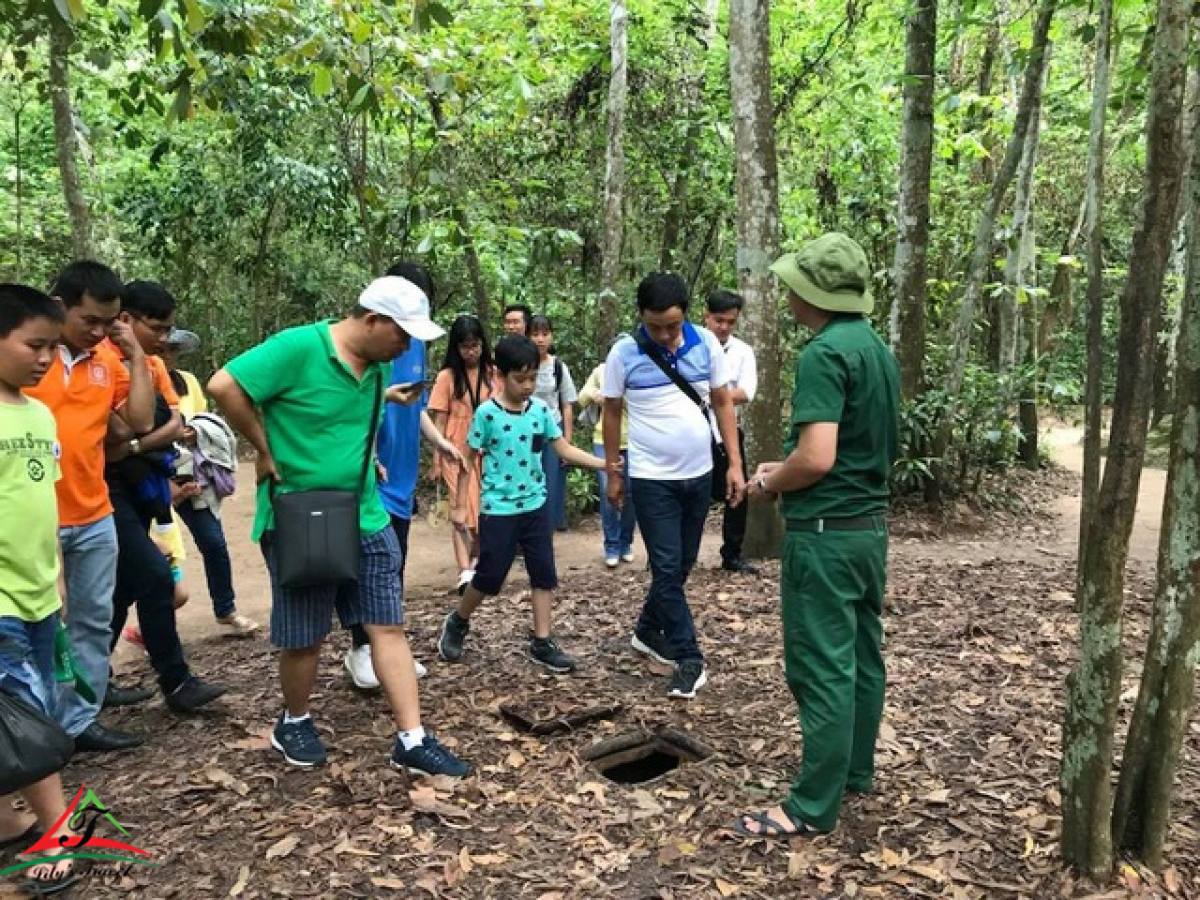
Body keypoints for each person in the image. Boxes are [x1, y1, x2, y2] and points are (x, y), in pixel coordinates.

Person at [209, 277, 470, 776]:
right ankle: (294, 720)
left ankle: (412, 739)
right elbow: (224, 385)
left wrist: (368, 452)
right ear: (371, 320)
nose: (407, 345)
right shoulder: (299, 347)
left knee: (386, 624)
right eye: (402, 333)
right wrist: (264, 450)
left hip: (365, 512)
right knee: (306, 633)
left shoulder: (378, 366)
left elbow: (349, 418)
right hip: (302, 512)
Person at [733, 233, 899, 839]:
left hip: (825, 535)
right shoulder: (876, 350)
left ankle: (811, 806)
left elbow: (819, 456)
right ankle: (853, 771)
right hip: (869, 532)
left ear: (815, 293)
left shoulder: (824, 353)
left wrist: (774, 478)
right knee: (860, 656)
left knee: (822, 665)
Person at [24, 261, 152, 753]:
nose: (99, 331)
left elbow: (138, 420)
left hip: (94, 512)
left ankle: (80, 723)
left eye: (109, 322)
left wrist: (135, 354)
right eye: (89, 321)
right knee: (38, 627)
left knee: (92, 623)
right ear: (60, 307)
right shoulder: (26, 357)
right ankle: (38, 728)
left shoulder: (105, 357)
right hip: (37, 519)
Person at [601, 273, 744, 699]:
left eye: (672, 325)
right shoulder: (624, 353)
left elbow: (721, 402)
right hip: (650, 478)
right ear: (641, 316)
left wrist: (734, 464)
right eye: (655, 325)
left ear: (685, 314)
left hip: (698, 474)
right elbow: (611, 413)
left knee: (680, 566)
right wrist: (613, 471)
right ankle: (688, 656)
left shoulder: (705, 343)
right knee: (665, 567)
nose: (664, 334)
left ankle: (647, 631)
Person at [437, 335, 607, 673]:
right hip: (498, 509)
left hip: (535, 506)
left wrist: (604, 463)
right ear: (501, 375)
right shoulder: (486, 415)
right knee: (489, 576)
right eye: (520, 379)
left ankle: (542, 641)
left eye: (532, 378)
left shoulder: (541, 411)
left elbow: (563, 449)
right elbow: (467, 460)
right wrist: (459, 505)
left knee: (543, 573)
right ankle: (457, 621)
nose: (528, 386)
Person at [103, 280, 227, 714]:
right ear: (125, 320)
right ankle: (176, 682)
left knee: (121, 588)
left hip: (137, 485)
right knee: (155, 576)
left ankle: (94, 685)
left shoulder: (153, 364)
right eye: (155, 327)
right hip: (104, 488)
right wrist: (141, 434)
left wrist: (138, 442)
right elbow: (119, 427)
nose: (163, 338)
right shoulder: (98, 363)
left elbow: (171, 423)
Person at [343, 262, 464, 691]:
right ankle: (360, 648)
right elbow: (360, 402)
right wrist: (369, 453)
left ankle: (387, 648)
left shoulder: (414, 344)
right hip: (376, 472)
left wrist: (440, 442)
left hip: (404, 473)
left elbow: (414, 405)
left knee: (394, 565)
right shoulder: (376, 346)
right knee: (370, 565)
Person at [0, 284, 79, 892]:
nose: (47, 358)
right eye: (34, 345)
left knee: (34, 705)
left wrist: (56, 579)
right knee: (21, 708)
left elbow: (42, 502)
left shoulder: (39, 413)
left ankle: (11, 812)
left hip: (38, 595)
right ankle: (56, 829)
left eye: (53, 347)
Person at [160, 327, 258, 635]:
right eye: (163, 349)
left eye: (173, 350)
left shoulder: (187, 382)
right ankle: (156, 624)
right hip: (151, 476)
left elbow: (203, 422)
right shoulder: (135, 380)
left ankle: (225, 609)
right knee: (157, 551)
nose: (168, 356)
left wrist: (196, 435)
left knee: (213, 542)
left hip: (190, 475)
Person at [428, 314, 494, 593]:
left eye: (475, 345)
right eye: (465, 346)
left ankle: (476, 560)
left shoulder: (493, 373)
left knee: (481, 511)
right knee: (461, 509)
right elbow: (438, 422)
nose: (471, 351)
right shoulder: (447, 377)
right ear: (456, 347)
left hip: (486, 450)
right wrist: (437, 460)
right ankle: (464, 569)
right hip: (456, 450)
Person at [704, 290, 760, 575]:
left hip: (725, 431)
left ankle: (732, 554)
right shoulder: (691, 345)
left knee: (738, 491)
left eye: (730, 322)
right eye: (718, 320)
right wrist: (723, 394)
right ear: (706, 316)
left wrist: (713, 395)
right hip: (693, 431)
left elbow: (746, 391)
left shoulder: (743, 351)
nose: (723, 327)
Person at [577, 348, 636, 567]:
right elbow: (581, 398)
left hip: (633, 441)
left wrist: (616, 398)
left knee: (631, 492)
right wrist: (595, 394)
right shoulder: (601, 371)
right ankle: (611, 545)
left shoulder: (636, 370)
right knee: (607, 492)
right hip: (603, 441)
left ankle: (625, 543)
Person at [528, 315, 577, 532]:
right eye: (535, 334)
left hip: (552, 431)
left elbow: (567, 404)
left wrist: (568, 440)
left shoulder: (558, 367)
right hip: (525, 431)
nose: (540, 339)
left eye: (545, 334)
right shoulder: (521, 365)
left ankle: (545, 532)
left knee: (551, 484)